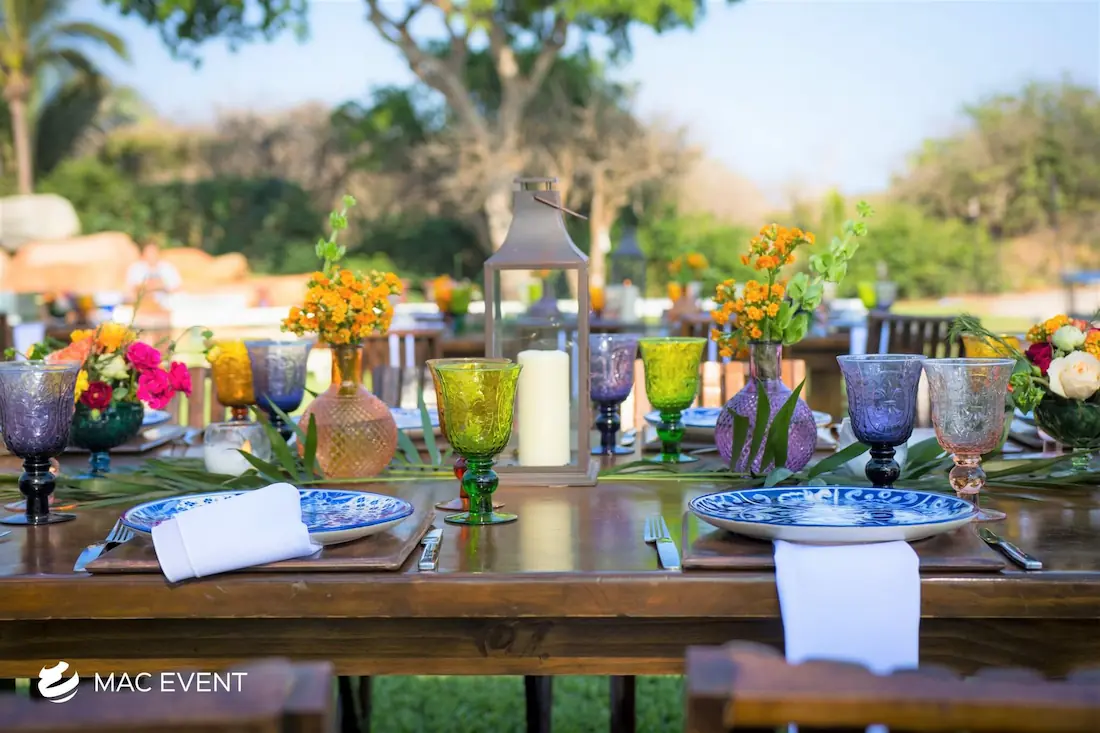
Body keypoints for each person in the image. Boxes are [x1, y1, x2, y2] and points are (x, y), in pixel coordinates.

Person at [126, 242, 181, 307]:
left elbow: (177, 288)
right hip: (143, 303)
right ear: (143, 254)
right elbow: (132, 288)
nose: (151, 255)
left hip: (166, 302)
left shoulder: (167, 267)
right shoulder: (136, 268)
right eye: (148, 252)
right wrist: (149, 286)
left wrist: (162, 286)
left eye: (153, 252)